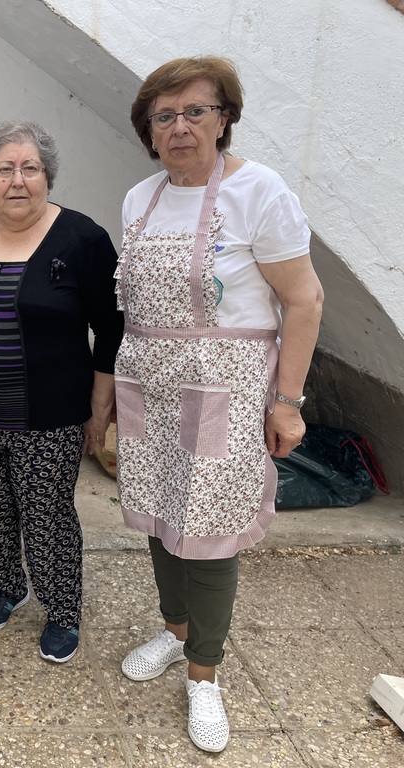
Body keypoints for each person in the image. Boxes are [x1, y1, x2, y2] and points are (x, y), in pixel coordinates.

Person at [115, 57, 323, 753]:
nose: (179, 128)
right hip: (150, 379)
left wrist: (287, 402)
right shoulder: (139, 198)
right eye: (164, 116)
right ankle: (175, 633)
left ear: (225, 117)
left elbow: (304, 300)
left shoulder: (259, 192)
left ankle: (205, 673)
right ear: (149, 130)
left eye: (195, 112)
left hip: (225, 386)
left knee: (206, 525)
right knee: (157, 507)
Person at [0, 121, 124, 663]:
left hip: (49, 414)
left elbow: (110, 330)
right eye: (4, 169)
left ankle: (62, 609)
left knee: (47, 514)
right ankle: (6, 587)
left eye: (30, 168)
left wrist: (100, 405)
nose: (18, 180)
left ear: (47, 177)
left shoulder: (83, 239)